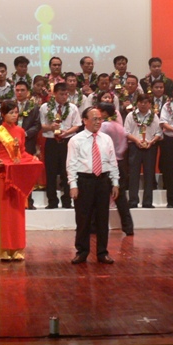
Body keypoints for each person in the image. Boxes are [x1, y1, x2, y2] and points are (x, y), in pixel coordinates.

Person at [0, 100, 43, 261]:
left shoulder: (20, 131)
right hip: (3, 175)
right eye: (11, 113)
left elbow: (22, 153)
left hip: (17, 175)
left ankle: (17, 248)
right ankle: (4, 249)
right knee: (4, 213)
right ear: (3, 114)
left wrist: (31, 158)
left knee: (17, 214)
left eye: (16, 112)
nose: (14, 115)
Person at [67, 107, 120, 264]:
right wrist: (73, 185)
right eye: (95, 119)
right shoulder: (75, 140)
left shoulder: (106, 139)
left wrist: (115, 182)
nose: (98, 122)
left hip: (103, 180)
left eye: (100, 119)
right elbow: (71, 164)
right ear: (85, 120)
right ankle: (82, 251)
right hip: (84, 181)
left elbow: (113, 162)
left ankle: (102, 252)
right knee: (83, 218)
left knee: (103, 218)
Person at [39, 82, 81, 209]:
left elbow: (77, 125)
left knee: (66, 171)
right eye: (61, 94)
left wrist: (67, 132)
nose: (64, 97)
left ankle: (67, 201)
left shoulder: (73, 107)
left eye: (66, 94)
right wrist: (50, 127)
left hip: (67, 142)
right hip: (51, 142)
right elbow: (41, 126)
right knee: (50, 172)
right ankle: (52, 201)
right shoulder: (45, 107)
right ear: (54, 94)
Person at [98, 103, 134, 235]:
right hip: (120, 162)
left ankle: (97, 227)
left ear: (104, 113)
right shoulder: (119, 126)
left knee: (102, 196)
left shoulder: (104, 126)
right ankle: (128, 227)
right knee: (121, 197)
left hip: (107, 163)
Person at [123, 93, 162, 208]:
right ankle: (133, 201)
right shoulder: (131, 115)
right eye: (141, 102)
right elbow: (126, 132)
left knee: (149, 174)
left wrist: (152, 141)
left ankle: (147, 202)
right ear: (137, 103)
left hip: (150, 147)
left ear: (150, 104)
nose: (143, 105)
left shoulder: (154, 116)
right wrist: (136, 140)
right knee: (133, 174)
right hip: (135, 146)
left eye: (146, 102)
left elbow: (159, 133)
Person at [15, 82, 41, 209]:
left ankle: (28, 201)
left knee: (27, 173)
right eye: (17, 90)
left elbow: (37, 125)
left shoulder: (34, 107)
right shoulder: (10, 106)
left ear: (28, 92)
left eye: (22, 90)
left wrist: (25, 134)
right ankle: (15, 201)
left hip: (28, 143)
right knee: (14, 172)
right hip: (12, 143)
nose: (19, 92)